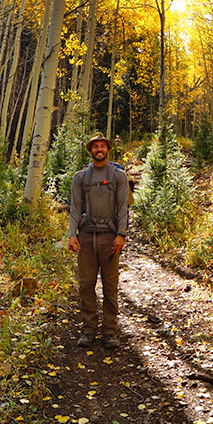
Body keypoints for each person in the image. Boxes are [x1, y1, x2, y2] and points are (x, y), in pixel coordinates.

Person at [68, 133, 129, 349]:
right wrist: (71, 234)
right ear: (90, 151)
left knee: (110, 286)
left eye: (103, 146)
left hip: (109, 239)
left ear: (108, 150)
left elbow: (123, 207)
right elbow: (74, 208)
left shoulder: (118, 176)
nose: (99, 149)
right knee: (86, 285)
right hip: (86, 238)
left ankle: (110, 332)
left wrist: (121, 234)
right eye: (95, 147)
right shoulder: (80, 177)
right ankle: (88, 330)